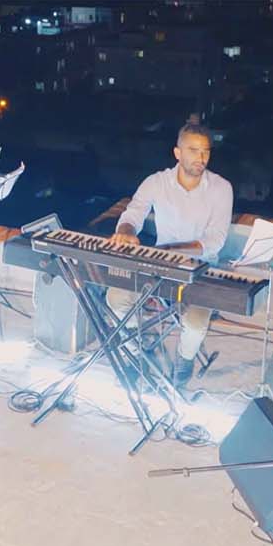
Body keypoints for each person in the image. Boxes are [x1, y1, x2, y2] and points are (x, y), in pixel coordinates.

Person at [107, 121, 233, 388]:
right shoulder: (156, 182)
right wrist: (127, 230)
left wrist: (174, 250)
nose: (201, 158)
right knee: (116, 297)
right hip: (160, 264)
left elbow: (215, 240)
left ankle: (184, 362)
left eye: (206, 151)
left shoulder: (222, 188)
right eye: (193, 150)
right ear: (177, 153)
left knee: (196, 324)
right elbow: (133, 213)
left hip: (200, 268)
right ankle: (135, 349)